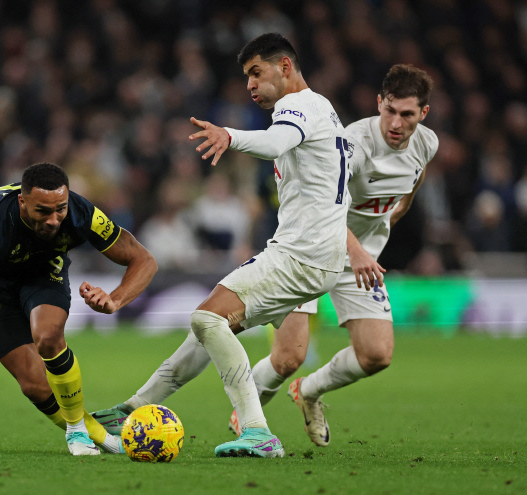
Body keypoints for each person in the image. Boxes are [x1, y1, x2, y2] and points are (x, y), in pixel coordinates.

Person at [93, 32, 363, 458]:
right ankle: (136, 407)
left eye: (257, 72)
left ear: (286, 67)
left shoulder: (296, 106)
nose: (251, 84)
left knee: (206, 319)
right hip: (321, 254)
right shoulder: (326, 109)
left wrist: (230, 136)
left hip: (300, 253)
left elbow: (275, 143)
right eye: (246, 77)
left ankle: (257, 432)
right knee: (215, 327)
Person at [229, 64, 438, 447]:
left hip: (361, 261)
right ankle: (249, 413)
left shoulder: (427, 143)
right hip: (311, 249)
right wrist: (356, 249)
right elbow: (324, 204)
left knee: (376, 355)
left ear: (423, 114)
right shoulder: (352, 144)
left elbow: (411, 184)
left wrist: (385, 224)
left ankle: (308, 391)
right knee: (287, 358)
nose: (395, 122)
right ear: (379, 103)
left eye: (407, 114)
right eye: (389, 110)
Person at [0, 162, 157, 456]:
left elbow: (144, 259)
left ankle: (76, 432)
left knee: (46, 336)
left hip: (44, 272)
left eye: (60, 208)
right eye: (43, 211)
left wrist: (116, 299)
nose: (54, 219)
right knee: (33, 384)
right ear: (22, 201)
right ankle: (97, 433)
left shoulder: (80, 213)